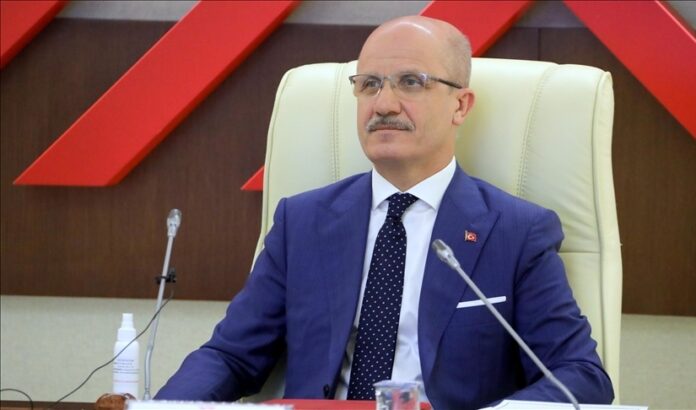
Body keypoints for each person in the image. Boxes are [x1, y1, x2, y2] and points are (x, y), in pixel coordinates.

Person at [155, 16, 614, 409]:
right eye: (369, 84)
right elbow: (231, 357)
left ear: (460, 105)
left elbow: (578, 374)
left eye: (411, 82)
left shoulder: (516, 231)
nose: (384, 104)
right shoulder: (303, 221)